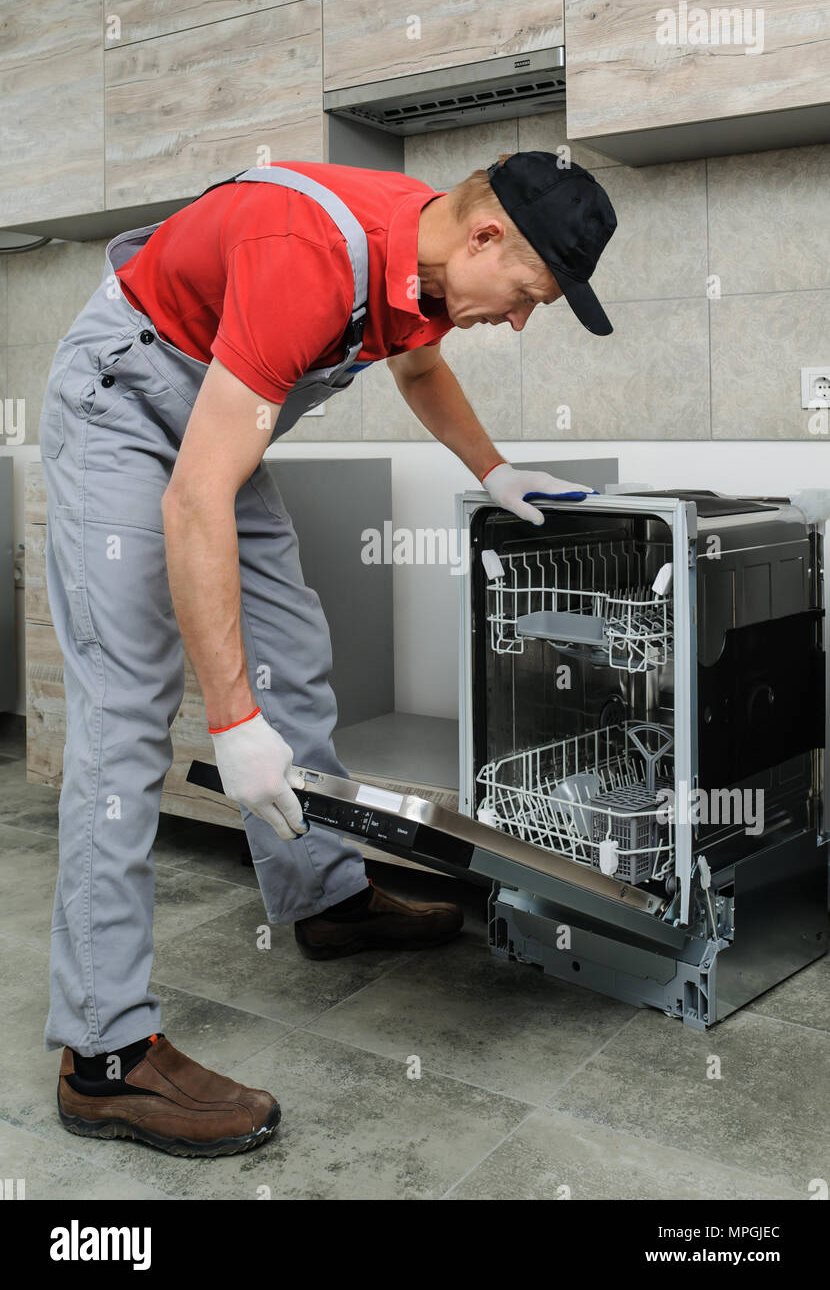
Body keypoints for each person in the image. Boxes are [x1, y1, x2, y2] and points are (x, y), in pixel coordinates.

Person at [39, 150, 617, 1156]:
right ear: (484, 236)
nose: (520, 321)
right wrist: (230, 722)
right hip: (123, 403)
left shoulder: (424, 256)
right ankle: (104, 1054)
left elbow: (418, 364)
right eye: (528, 295)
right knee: (127, 712)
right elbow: (193, 499)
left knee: (292, 647)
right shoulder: (309, 258)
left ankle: (324, 897)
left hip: (219, 408)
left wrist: (496, 467)